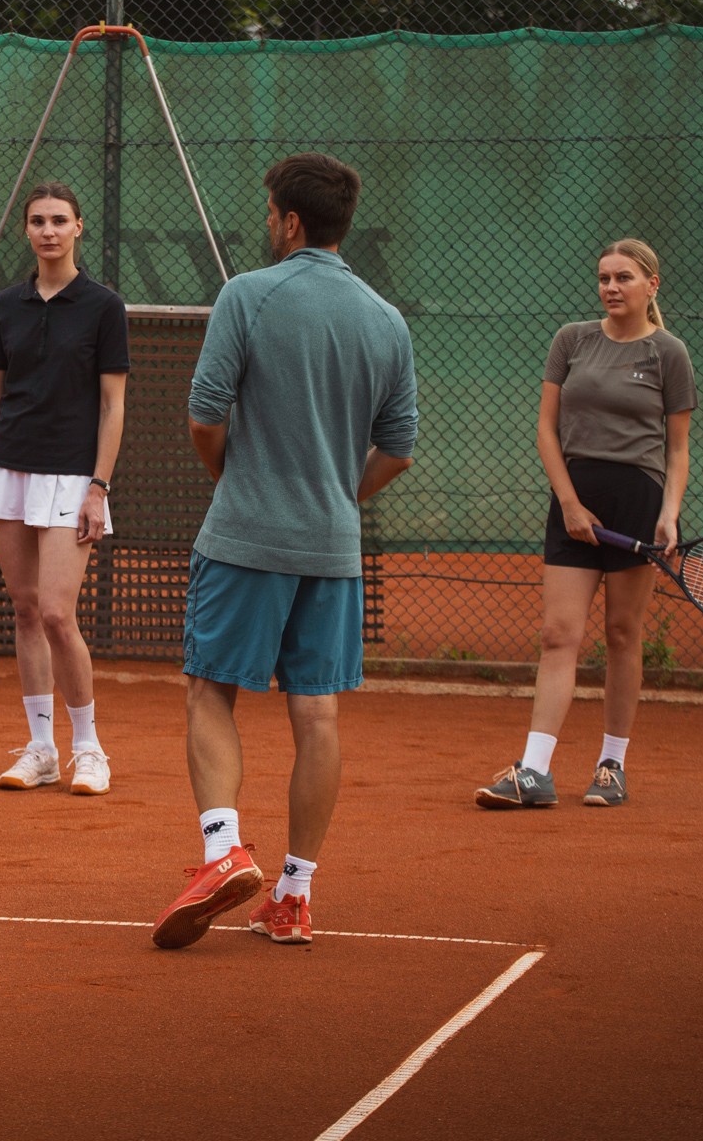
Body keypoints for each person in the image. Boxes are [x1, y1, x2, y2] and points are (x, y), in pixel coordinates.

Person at [151, 154, 417, 949]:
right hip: (333, 548)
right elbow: (399, 449)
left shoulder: (246, 294)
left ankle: (223, 852)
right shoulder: (387, 320)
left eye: (270, 212)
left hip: (245, 535)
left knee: (210, 691)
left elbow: (204, 415)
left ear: (291, 221)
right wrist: (337, 499)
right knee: (318, 711)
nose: (266, 222)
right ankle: (294, 895)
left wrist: (234, 483)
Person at [475, 240, 693, 811]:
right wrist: (569, 503)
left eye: (624, 277)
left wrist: (668, 513)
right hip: (574, 501)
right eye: (604, 278)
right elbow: (546, 430)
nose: (611, 287)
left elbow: (677, 449)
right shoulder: (571, 340)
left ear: (652, 284)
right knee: (558, 634)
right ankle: (535, 771)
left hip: (638, 501)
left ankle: (611, 766)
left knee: (622, 634)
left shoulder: (669, 352)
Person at [0, 182, 129, 795]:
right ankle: (41, 750)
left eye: (59, 220)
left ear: (78, 227)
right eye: (37, 221)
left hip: (72, 476)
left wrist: (98, 487)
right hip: (6, 470)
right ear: (26, 230)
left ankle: (89, 749)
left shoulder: (104, 307)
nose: (48, 231)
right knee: (26, 611)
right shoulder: (7, 305)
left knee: (57, 613)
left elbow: (112, 406)